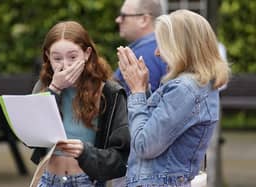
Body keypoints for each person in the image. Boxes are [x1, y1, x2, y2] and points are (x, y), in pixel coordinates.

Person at [117, 9, 230, 187]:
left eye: (162, 45)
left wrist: (137, 92)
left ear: (180, 46)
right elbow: (157, 130)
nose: (157, 53)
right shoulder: (199, 85)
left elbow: (144, 145)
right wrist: (144, 89)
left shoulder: (186, 89)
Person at [30, 21, 130, 187]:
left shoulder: (109, 92)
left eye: (73, 57)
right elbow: (31, 138)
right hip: (48, 178)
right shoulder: (44, 87)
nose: (65, 65)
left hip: (86, 180)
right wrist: (55, 89)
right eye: (57, 58)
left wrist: (86, 152)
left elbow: (121, 156)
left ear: (87, 53)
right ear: (47, 55)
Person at [114, 0, 167, 94]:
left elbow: (148, 106)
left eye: (123, 16)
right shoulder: (163, 47)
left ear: (144, 20)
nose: (118, 20)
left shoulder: (143, 56)